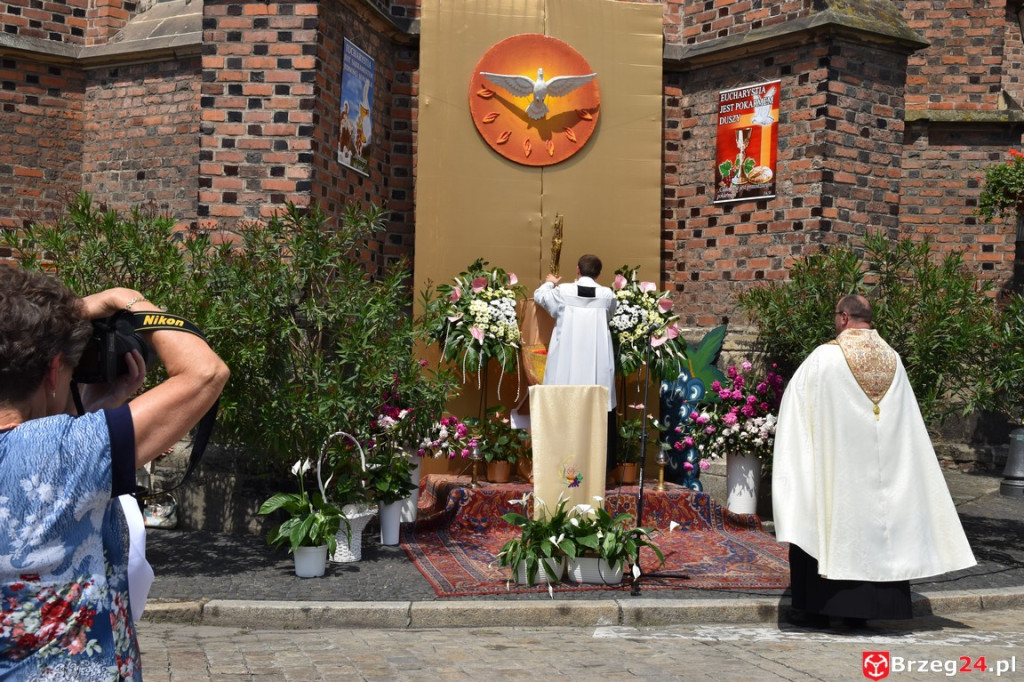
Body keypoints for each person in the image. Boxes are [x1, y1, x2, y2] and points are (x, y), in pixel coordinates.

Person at [0, 267, 229, 680]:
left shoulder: (71, 450)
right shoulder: (63, 451)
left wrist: (91, 411)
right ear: (53, 372)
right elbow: (205, 373)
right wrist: (127, 299)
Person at [772, 294, 975, 629]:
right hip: (884, 476)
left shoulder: (825, 358)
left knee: (832, 527)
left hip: (837, 474)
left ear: (843, 318)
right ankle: (870, 612)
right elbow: (907, 424)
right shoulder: (893, 359)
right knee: (880, 529)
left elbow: (796, 410)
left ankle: (821, 608)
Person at [533, 254, 618, 472]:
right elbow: (610, 314)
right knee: (597, 412)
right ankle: (598, 470)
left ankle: (557, 468)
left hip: (566, 364)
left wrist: (550, 281)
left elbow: (540, 297)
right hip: (596, 366)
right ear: (599, 274)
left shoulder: (563, 291)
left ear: (577, 270)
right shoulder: (607, 294)